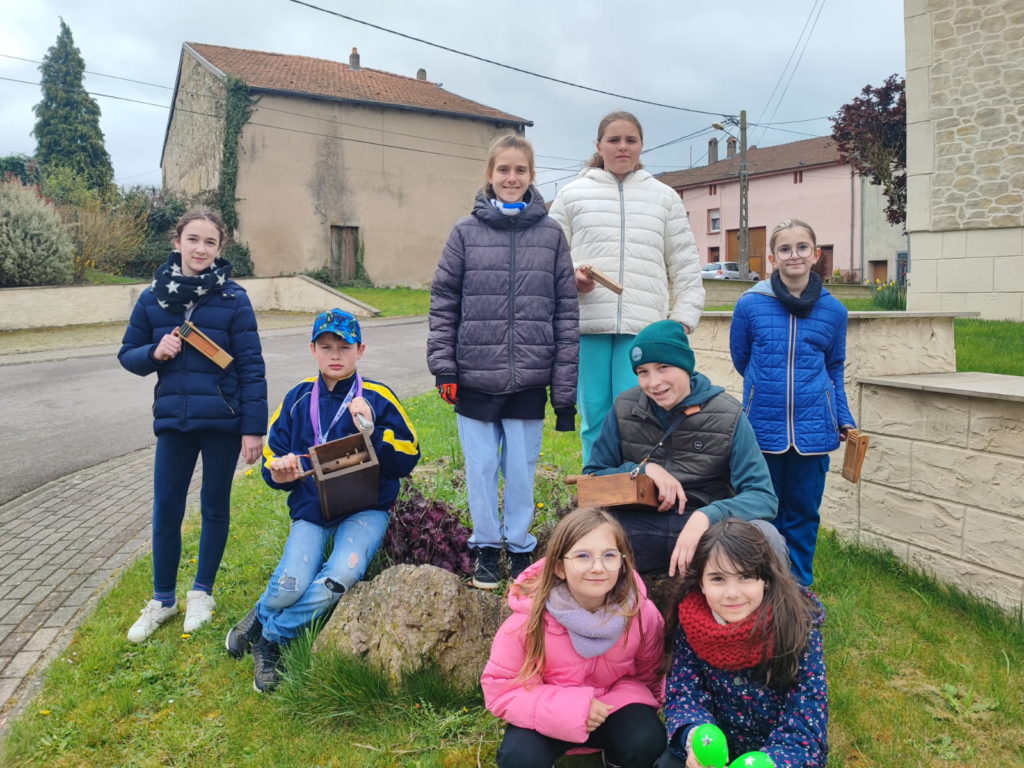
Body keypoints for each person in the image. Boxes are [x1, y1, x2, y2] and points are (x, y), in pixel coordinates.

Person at [225, 308, 419, 692]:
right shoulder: (298, 398)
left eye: (344, 347)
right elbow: (273, 457)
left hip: (366, 508)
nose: (335, 354)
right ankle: (265, 609)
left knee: (340, 576)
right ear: (312, 349)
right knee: (290, 583)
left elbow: (408, 456)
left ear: (359, 350)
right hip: (313, 510)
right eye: (326, 346)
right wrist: (277, 472)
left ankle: (272, 637)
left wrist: (373, 429)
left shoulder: (377, 398)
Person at [427, 134, 579, 590]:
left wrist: (564, 394)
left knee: (520, 469)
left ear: (532, 176)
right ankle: (487, 546)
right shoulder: (464, 233)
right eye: (503, 170)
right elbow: (443, 302)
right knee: (480, 468)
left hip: (529, 377)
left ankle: (518, 541)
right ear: (489, 176)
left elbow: (566, 312)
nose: (511, 178)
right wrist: (444, 367)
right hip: (474, 375)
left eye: (521, 171)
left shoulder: (551, 234)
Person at [118, 207, 267, 643]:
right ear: (177, 242)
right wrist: (153, 353)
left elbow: (252, 367)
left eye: (210, 242)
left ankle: (202, 592)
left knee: (215, 505)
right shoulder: (152, 299)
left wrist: (253, 428)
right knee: (166, 508)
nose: (200, 249)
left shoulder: (234, 299)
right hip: (174, 422)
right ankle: (163, 599)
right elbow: (128, 354)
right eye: (193, 239)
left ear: (220, 249)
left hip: (223, 420)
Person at [549, 110, 704, 466]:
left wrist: (681, 321)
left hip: (643, 330)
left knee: (638, 416)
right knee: (595, 417)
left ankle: (634, 493)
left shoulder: (664, 198)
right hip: (587, 327)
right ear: (599, 145)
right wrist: (572, 275)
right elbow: (548, 256)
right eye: (614, 140)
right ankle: (596, 488)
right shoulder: (572, 195)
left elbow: (685, 265)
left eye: (630, 140)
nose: (622, 147)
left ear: (641, 146)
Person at [584, 319, 781, 577]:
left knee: (768, 536)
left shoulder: (728, 414)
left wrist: (707, 516)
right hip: (637, 527)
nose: (653, 383)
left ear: (685, 365)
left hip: (707, 532)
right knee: (577, 529)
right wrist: (642, 470)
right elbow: (593, 476)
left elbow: (763, 497)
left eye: (663, 367)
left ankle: (777, 613)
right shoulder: (624, 406)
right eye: (643, 372)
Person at [481, 507, 666, 768]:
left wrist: (633, 712)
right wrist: (574, 711)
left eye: (610, 556)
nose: (598, 567)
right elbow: (502, 690)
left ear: (622, 562)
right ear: (559, 567)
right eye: (582, 556)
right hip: (549, 716)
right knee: (519, 758)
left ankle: (614, 759)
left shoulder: (641, 613)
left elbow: (649, 675)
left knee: (647, 740)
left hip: (613, 708)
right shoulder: (527, 620)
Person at [729, 218, 855, 586]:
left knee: (802, 512)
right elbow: (742, 358)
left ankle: (799, 589)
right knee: (762, 510)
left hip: (814, 429)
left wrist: (842, 416)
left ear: (815, 255)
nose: (794, 255)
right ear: (773, 257)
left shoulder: (834, 311)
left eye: (802, 248)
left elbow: (834, 367)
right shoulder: (751, 304)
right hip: (762, 428)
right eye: (785, 249)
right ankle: (763, 584)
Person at [658, 519, 828, 768]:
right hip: (716, 752)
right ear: (701, 583)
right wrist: (695, 735)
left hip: (782, 757)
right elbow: (684, 692)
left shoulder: (798, 627)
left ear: (766, 580)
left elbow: (808, 713)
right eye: (718, 579)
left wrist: (773, 762)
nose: (732, 593)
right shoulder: (692, 624)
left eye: (746, 577)